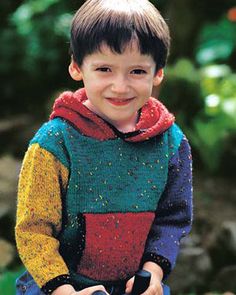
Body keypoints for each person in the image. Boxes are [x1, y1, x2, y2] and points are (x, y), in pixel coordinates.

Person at [15, 0, 193, 294]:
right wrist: (63, 288)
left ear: (158, 73)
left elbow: (172, 220)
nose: (120, 86)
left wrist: (153, 273)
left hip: (135, 286)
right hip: (59, 284)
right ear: (76, 67)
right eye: (104, 69)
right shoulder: (54, 143)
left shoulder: (171, 142)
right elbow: (34, 231)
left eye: (137, 71)